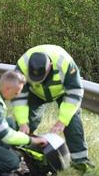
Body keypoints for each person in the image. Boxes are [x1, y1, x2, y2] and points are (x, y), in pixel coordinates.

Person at [12, 44, 94, 172]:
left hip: (62, 92)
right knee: (26, 124)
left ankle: (80, 161)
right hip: (35, 93)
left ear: (49, 66)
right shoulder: (22, 65)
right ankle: (19, 155)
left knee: (72, 122)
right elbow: (19, 96)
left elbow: (75, 91)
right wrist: (22, 121)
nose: (38, 80)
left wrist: (62, 121)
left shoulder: (65, 63)